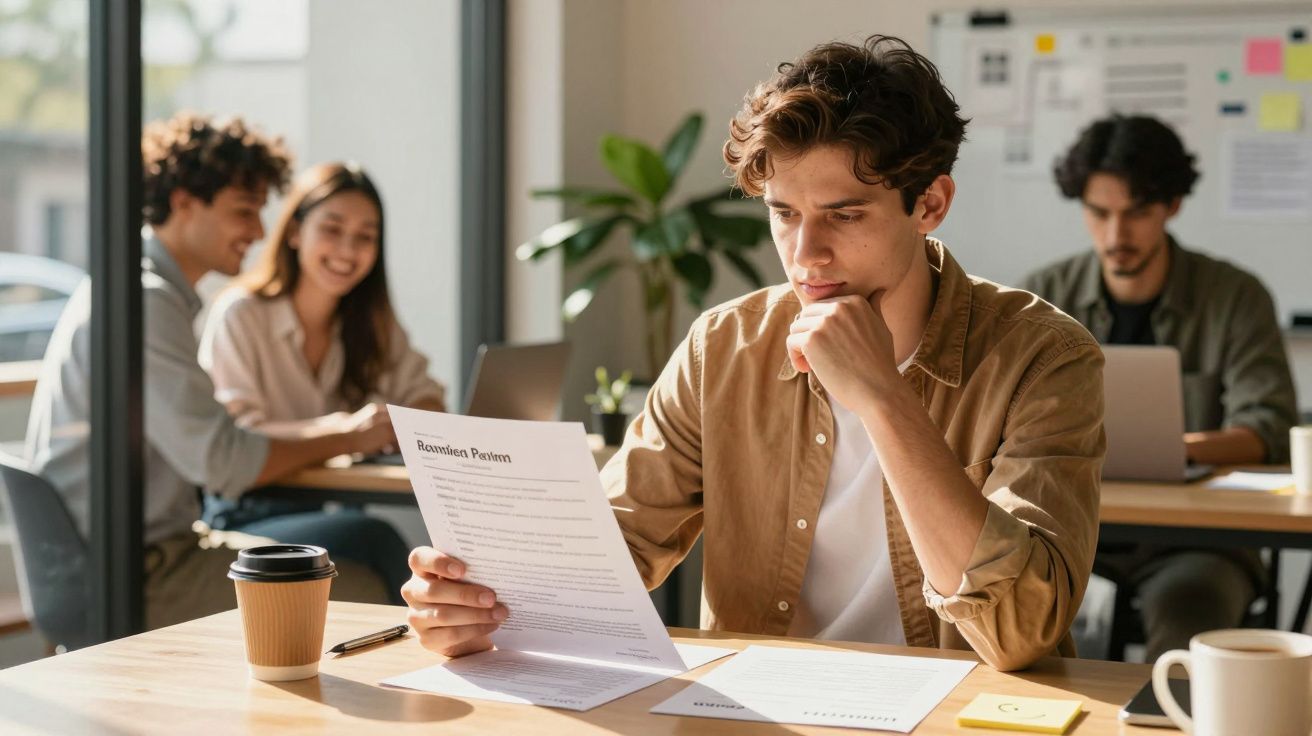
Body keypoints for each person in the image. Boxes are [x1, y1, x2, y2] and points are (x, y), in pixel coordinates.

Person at [401, 36, 1106, 671]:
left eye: (845, 214)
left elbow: (1021, 630)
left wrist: (884, 399)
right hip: (762, 714)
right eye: (784, 214)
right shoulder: (724, 347)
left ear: (930, 204)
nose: (806, 256)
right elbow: (613, 547)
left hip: (956, 712)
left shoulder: (1045, 355)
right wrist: (480, 600)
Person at [26, 112, 410, 629]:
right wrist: (348, 434)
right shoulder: (143, 301)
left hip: (146, 552)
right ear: (185, 204)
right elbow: (222, 462)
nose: (257, 230)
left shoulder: (140, 292)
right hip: (135, 574)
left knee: (366, 544)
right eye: (244, 211)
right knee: (361, 585)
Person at [1022, 114, 1298, 660]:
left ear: (1172, 206)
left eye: (1137, 213)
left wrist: (1174, 453)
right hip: (1066, 530)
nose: (1116, 236)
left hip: (1200, 542)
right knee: (1021, 619)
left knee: (1190, 620)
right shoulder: (1042, 296)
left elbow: (1268, 429)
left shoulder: (1234, 297)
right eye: (1099, 213)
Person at [197, 162, 445, 529]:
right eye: (332, 229)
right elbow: (236, 438)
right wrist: (346, 432)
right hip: (247, 512)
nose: (348, 250)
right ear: (295, 232)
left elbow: (427, 398)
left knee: (373, 540)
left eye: (366, 237)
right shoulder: (240, 315)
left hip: (330, 507)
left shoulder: (371, 324)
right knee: (373, 539)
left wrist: (400, 424)